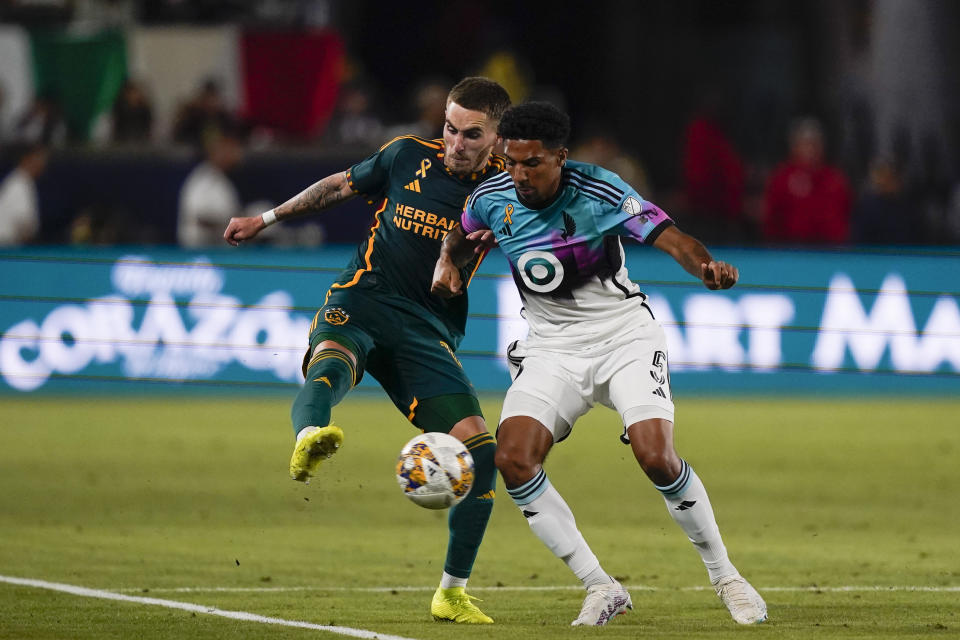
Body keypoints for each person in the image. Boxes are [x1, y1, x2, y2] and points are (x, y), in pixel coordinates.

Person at [432, 102, 767, 627]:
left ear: (561, 157)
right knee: (514, 460)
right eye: (512, 161)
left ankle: (727, 577)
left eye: (533, 163)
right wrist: (448, 258)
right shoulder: (491, 198)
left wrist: (705, 268)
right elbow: (462, 228)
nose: (520, 174)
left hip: (622, 337)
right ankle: (600, 585)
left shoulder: (600, 191)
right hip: (550, 347)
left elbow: (672, 238)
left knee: (656, 456)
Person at [223, 77, 512, 624]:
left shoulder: (507, 194)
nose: (455, 143)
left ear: (497, 137)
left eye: (471, 135)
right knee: (332, 355)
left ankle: (451, 593)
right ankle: (310, 434)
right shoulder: (406, 155)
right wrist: (264, 220)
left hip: (427, 329)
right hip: (365, 296)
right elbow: (336, 186)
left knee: (483, 451)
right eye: (450, 129)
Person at [763, 117, 852, 245]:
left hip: (829, 252)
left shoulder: (835, 180)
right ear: (794, 147)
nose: (810, 150)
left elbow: (844, 218)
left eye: (814, 144)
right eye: (805, 144)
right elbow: (772, 219)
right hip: (789, 250)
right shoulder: (782, 178)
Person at [178, 125, 245, 248]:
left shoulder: (223, 181)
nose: (235, 154)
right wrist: (231, 225)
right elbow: (200, 218)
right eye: (228, 150)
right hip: (199, 252)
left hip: (219, 250)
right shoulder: (203, 179)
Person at [0, 142, 47, 245]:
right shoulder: (18, 184)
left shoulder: (23, 181)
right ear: (27, 159)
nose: (43, 163)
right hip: (6, 248)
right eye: (39, 158)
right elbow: (23, 226)